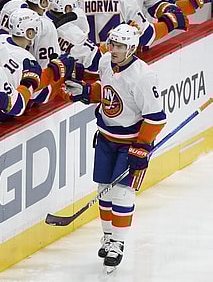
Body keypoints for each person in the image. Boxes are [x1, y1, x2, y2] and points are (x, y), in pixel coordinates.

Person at [64, 24, 167, 271]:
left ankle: (118, 243)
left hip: (131, 142)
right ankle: (108, 237)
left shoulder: (143, 76)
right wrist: (88, 92)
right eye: (112, 44)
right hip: (106, 138)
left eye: (120, 46)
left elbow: (156, 117)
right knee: (104, 190)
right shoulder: (105, 62)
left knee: (122, 192)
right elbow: (110, 92)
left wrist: (142, 147)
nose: (114, 50)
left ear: (132, 48)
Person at [80, 0, 188, 46]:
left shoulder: (70, 1)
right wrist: (170, 22)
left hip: (83, 67)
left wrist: (170, 10)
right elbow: (146, 35)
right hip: (121, 64)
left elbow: (159, 2)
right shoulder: (126, 0)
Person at [21, 0, 61, 69]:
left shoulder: (16, 15)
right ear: (43, 2)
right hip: (34, 77)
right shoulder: (45, 25)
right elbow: (46, 64)